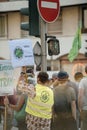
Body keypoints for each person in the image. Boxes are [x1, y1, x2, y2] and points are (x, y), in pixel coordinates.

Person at [78, 66, 87, 130]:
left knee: (84, 126)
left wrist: (80, 108)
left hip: (85, 108)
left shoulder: (83, 81)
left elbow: (80, 95)